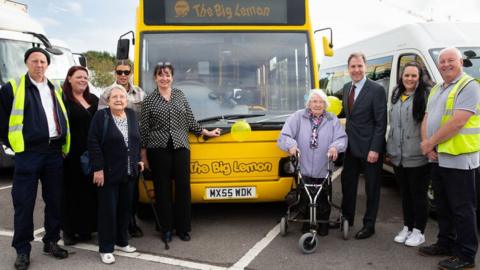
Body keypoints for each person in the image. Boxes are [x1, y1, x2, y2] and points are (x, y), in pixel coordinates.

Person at [0, 47, 70, 270]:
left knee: (54, 200)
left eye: (42, 61)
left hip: (53, 152)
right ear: (26, 63)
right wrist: (15, 146)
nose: (39, 65)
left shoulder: (54, 87)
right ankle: (22, 250)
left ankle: (51, 241)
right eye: (34, 61)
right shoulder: (12, 88)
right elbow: (2, 122)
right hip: (28, 153)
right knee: (24, 203)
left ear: (47, 65)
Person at [140, 62, 220, 242]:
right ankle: (165, 229)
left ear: (172, 78)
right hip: (158, 149)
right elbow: (144, 129)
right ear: (155, 78)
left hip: (181, 146)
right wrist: (143, 155)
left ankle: (183, 228)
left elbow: (190, 121)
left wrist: (206, 132)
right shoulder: (149, 100)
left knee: (183, 188)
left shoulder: (180, 95)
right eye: (160, 75)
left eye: (167, 75)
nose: (164, 78)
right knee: (162, 189)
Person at [419, 47, 480, 270]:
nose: (445, 64)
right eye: (442, 61)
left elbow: (458, 122)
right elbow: (427, 117)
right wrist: (427, 145)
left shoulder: (469, 86)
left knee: (462, 209)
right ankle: (445, 243)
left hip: (460, 159)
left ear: (461, 62)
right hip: (438, 158)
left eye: (450, 60)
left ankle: (466, 255)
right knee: (442, 206)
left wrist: (430, 142)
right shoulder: (437, 88)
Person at [278, 89, 347, 236]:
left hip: (324, 166)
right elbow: (285, 135)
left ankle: (323, 224)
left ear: (325, 104)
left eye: (321, 102)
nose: (317, 104)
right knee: (304, 196)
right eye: (314, 101)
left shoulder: (332, 119)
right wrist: (291, 145)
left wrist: (335, 146)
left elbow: (341, 138)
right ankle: (307, 223)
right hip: (304, 166)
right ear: (309, 103)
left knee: (323, 197)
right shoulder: (298, 117)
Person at [88, 85, 144, 264]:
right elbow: (93, 142)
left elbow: (135, 140)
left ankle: (122, 241)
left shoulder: (132, 115)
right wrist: (98, 169)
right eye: (115, 97)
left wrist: (138, 160)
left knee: (125, 210)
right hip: (108, 173)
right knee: (108, 212)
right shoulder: (101, 116)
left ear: (127, 100)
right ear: (108, 100)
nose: (119, 99)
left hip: (129, 172)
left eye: (122, 96)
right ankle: (106, 247)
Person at [340, 52, 387, 240]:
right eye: (353, 66)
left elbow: (381, 122)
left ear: (365, 67)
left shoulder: (376, 89)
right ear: (348, 69)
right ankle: (347, 218)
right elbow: (346, 115)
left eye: (360, 66)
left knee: (372, 188)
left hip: (370, 148)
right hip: (350, 147)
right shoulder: (345, 88)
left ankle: (369, 225)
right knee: (347, 183)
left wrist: (375, 149)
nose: (356, 70)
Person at [99, 60, 145, 238]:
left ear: (131, 72)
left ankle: (130, 222)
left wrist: (143, 150)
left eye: (126, 72)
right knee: (114, 193)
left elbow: (145, 121)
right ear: (115, 73)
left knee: (131, 191)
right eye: (119, 72)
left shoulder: (140, 93)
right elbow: (102, 120)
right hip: (115, 149)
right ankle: (116, 229)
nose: (123, 75)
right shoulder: (106, 94)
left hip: (134, 146)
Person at [386, 62, 430, 247]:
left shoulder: (426, 96)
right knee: (405, 195)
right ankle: (408, 227)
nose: (410, 79)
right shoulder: (396, 95)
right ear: (401, 77)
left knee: (418, 195)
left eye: (414, 76)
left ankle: (419, 231)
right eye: (407, 76)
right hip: (398, 155)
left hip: (417, 155)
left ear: (419, 78)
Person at [60, 66, 99, 245]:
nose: (83, 80)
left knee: (89, 192)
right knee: (70, 193)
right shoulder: (62, 99)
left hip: (92, 152)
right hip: (70, 154)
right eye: (78, 77)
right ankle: (69, 231)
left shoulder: (94, 99)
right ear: (69, 78)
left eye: (85, 77)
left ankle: (85, 229)